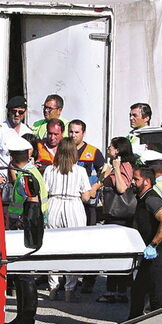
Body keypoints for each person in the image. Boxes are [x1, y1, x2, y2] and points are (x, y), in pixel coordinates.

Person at [43, 138, 99, 302]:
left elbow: (44, 191)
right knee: (73, 249)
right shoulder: (80, 171)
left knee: (53, 249)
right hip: (73, 206)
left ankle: (53, 287)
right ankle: (69, 289)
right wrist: (95, 187)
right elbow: (86, 197)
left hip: (54, 205)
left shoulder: (50, 170)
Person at [6, 135, 48, 324]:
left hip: (26, 230)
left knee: (25, 276)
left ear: (14, 156)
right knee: (22, 276)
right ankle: (22, 317)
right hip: (29, 228)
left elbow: (32, 202)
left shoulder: (28, 176)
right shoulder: (28, 172)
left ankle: (26, 319)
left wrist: (21, 223)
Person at [129, 166, 162, 319]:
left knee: (158, 297)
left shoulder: (151, 199)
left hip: (159, 255)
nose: (132, 182)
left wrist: (153, 244)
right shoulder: (142, 199)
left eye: (136, 179)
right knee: (138, 291)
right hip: (148, 256)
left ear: (147, 181)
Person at [96, 136, 137, 303]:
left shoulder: (124, 166)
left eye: (110, 147)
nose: (108, 150)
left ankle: (114, 291)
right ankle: (117, 290)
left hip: (119, 218)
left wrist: (117, 169)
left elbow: (121, 188)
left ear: (118, 150)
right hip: (115, 217)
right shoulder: (117, 166)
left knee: (115, 256)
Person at [69, 119, 107, 294]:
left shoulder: (93, 152)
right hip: (70, 202)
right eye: (71, 131)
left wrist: (95, 187)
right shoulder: (65, 150)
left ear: (83, 133)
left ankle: (89, 279)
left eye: (76, 132)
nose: (73, 135)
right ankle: (68, 279)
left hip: (88, 204)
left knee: (89, 242)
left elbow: (106, 172)